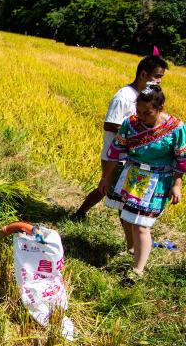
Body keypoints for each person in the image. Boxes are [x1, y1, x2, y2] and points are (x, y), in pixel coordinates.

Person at [99, 85, 185, 283]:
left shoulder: (176, 127)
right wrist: (106, 177)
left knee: (142, 225)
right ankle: (132, 249)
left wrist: (177, 184)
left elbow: (181, 158)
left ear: (160, 107)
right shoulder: (130, 123)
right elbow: (116, 151)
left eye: (148, 113)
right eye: (138, 111)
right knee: (127, 217)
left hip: (157, 181)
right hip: (133, 175)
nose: (142, 116)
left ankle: (137, 270)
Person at [74, 54, 169, 219]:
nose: (159, 81)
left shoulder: (142, 97)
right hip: (114, 154)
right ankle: (81, 213)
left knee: (118, 190)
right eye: (157, 76)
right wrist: (135, 132)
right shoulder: (124, 96)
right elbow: (109, 124)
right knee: (112, 188)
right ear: (143, 75)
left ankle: (81, 213)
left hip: (130, 156)